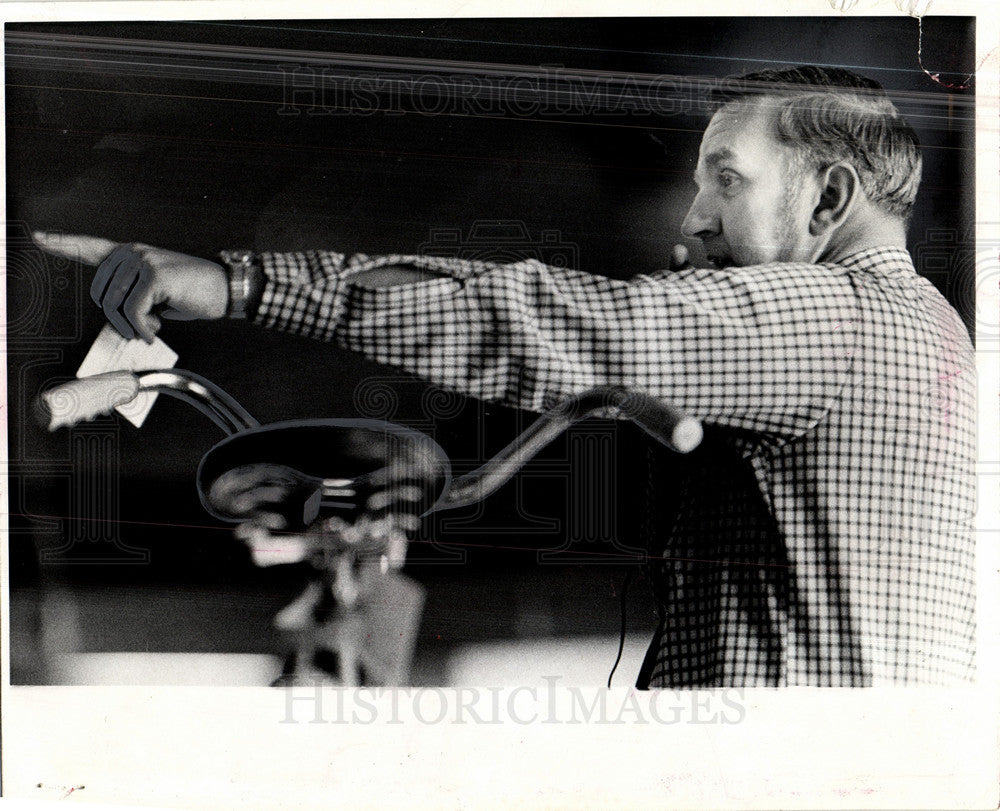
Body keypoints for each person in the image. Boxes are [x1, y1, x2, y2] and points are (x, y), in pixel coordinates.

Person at [32, 65, 976, 687]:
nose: (689, 219)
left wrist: (243, 283)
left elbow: (556, 324)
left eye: (726, 179)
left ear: (830, 196)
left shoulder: (833, 317)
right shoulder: (935, 332)